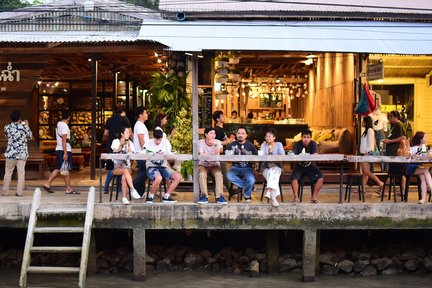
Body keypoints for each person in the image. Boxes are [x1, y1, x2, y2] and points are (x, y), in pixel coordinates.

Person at [42, 110, 78, 194]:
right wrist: (65, 153)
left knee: (59, 168)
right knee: (65, 169)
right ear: (69, 117)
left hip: (59, 148)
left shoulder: (59, 124)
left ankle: (47, 184)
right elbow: (64, 140)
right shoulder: (65, 126)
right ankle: (68, 188)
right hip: (63, 149)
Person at [144, 129, 180, 203]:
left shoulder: (165, 142)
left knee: (177, 177)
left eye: (160, 140)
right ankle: (150, 196)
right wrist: (152, 155)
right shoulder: (148, 142)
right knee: (158, 178)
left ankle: (166, 196)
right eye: (156, 140)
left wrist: (165, 155)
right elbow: (143, 154)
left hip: (163, 166)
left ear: (162, 138)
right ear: (153, 137)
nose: (158, 142)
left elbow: (170, 155)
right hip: (151, 166)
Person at [2, 111, 32, 197]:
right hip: (22, 153)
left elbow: (6, 136)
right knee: (21, 173)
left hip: (11, 153)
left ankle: (5, 192)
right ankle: (19, 192)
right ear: (20, 117)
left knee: (8, 172)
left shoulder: (7, 127)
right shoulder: (24, 127)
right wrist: (27, 125)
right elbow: (30, 136)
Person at [102, 106, 132, 194]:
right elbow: (129, 131)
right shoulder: (124, 119)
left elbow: (106, 133)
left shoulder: (109, 120)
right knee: (120, 165)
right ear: (121, 111)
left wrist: (104, 141)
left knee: (112, 165)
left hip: (112, 143)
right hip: (121, 143)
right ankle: (119, 189)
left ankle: (106, 187)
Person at [291, 129, 324, 204]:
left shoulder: (313, 144)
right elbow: (293, 156)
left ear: (310, 138)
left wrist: (310, 156)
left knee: (320, 177)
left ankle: (314, 197)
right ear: (301, 138)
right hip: (299, 166)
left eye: (308, 137)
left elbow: (315, 155)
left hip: (311, 166)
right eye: (304, 137)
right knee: (294, 177)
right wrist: (299, 158)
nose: (306, 139)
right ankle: (296, 198)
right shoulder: (297, 144)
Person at [226, 127, 258, 202]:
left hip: (247, 168)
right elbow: (226, 157)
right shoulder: (231, 145)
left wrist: (256, 168)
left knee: (251, 179)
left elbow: (256, 158)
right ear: (237, 134)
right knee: (229, 175)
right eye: (239, 133)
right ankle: (248, 186)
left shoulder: (251, 146)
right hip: (235, 167)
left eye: (242, 133)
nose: (240, 135)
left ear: (246, 135)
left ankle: (247, 195)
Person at [111, 126, 141, 205]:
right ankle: (132, 189)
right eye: (127, 132)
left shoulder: (130, 143)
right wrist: (121, 145)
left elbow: (131, 155)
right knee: (124, 171)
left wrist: (129, 145)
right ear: (122, 134)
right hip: (116, 167)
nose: (129, 134)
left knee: (124, 176)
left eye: (129, 132)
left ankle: (124, 198)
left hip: (127, 167)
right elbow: (114, 151)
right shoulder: (116, 141)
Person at [197, 127, 227, 205]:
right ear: (206, 134)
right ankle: (204, 196)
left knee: (219, 174)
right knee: (202, 174)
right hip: (203, 165)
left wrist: (215, 145)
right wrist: (209, 155)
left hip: (215, 165)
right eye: (211, 133)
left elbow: (217, 154)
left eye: (214, 133)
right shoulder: (201, 142)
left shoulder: (218, 142)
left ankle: (219, 196)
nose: (213, 135)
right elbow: (202, 155)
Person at [260, 128, 284, 207]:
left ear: (274, 137)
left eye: (269, 136)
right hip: (266, 168)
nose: (267, 138)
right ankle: (273, 198)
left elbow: (282, 155)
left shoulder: (279, 144)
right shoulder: (263, 145)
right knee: (273, 174)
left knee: (274, 171)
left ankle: (269, 191)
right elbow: (262, 156)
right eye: (266, 136)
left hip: (277, 167)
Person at [406, 131, 432, 204]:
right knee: (425, 171)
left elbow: (424, 158)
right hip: (411, 167)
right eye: (425, 137)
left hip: (419, 167)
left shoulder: (423, 147)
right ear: (421, 139)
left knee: (423, 177)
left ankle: (423, 199)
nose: (426, 139)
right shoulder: (413, 148)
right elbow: (409, 155)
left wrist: (427, 154)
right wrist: (413, 155)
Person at [359, 116, 384, 193]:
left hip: (367, 154)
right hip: (364, 154)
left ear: (366, 122)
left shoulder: (370, 131)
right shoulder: (366, 131)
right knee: (364, 173)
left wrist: (367, 152)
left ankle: (380, 182)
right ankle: (363, 189)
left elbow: (371, 143)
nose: (362, 123)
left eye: (363, 121)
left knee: (366, 171)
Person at [212, 110, 233, 193]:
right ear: (217, 119)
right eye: (222, 116)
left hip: (223, 153)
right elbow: (216, 142)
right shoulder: (216, 130)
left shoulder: (222, 129)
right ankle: (230, 190)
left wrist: (228, 140)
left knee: (223, 172)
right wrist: (227, 142)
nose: (224, 117)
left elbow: (223, 139)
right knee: (223, 172)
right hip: (219, 154)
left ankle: (229, 190)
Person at [383, 110, 407, 176]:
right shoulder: (394, 125)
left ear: (396, 117)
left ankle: (402, 186)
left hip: (396, 153)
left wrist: (390, 141)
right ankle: (386, 186)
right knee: (391, 172)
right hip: (392, 154)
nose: (389, 118)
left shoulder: (399, 125)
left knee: (400, 173)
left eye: (391, 117)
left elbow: (403, 137)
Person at [132, 107, 150, 197]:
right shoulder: (139, 125)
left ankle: (139, 192)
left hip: (141, 152)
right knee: (147, 172)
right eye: (145, 113)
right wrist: (146, 152)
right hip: (141, 153)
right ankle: (132, 185)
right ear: (140, 115)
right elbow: (141, 139)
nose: (147, 115)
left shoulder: (141, 124)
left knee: (142, 171)